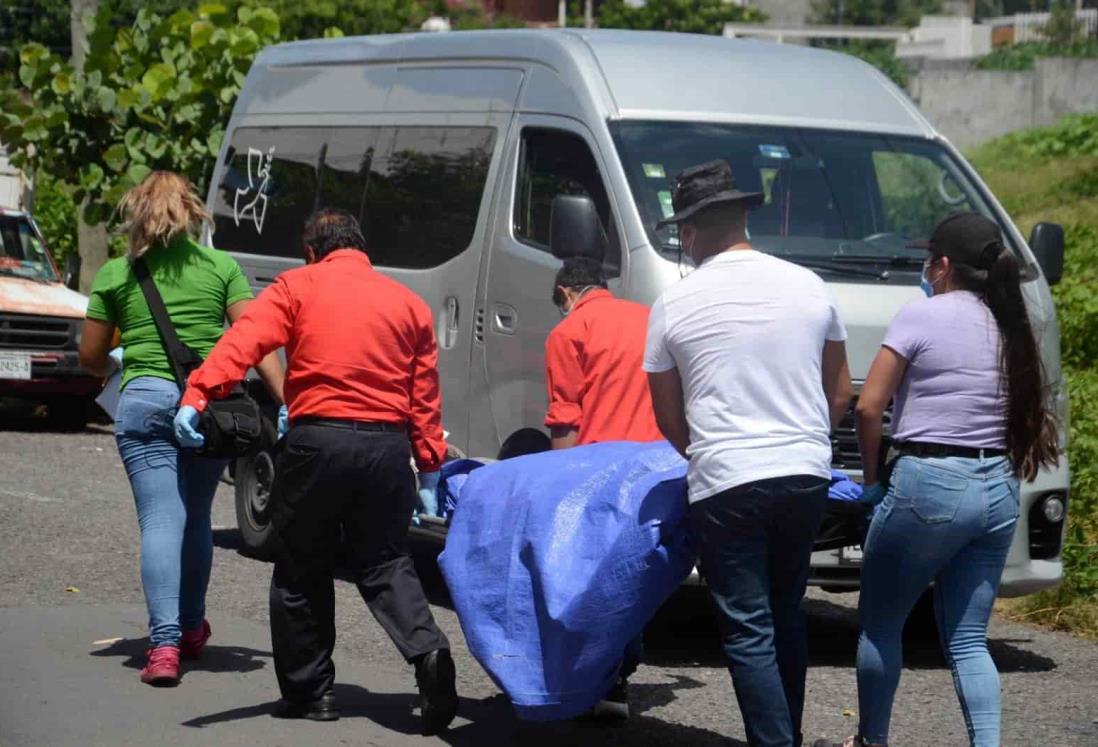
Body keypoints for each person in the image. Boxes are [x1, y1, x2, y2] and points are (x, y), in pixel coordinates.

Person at [172, 208, 458, 733]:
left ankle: (312, 693)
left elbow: (243, 344)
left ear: (311, 249)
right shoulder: (409, 304)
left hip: (316, 442)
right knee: (386, 563)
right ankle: (429, 653)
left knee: (302, 569)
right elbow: (425, 397)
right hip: (385, 448)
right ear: (361, 246)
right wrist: (431, 465)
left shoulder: (295, 287)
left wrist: (197, 395)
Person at [813, 213, 1059, 747]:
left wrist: (874, 482)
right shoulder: (1010, 323)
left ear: (942, 266)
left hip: (928, 484)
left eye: (929, 262)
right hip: (997, 487)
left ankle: (872, 741)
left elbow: (870, 407)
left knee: (881, 624)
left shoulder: (919, 315)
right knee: (969, 639)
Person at [643, 160, 853, 747]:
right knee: (787, 610)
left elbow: (666, 413)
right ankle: (785, 733)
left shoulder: (674, 303)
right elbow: (839, 389)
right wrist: (805, 436)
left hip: (728, 477)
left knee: (747, 626)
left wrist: (709, 450)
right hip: (806, 472)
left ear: (687, 231)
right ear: (742, 218)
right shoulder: (809, 284)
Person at [78, 171, 285, 687]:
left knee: (160, 521)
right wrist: (289, 402)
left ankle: (164, 646)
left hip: (144, 400)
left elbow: (89, 359)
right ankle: (192, 630)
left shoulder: (115, 274)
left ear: (137, 212)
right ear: (193, 212)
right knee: (196, 521)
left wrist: (122, 357)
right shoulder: (220, 268)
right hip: (209, 406)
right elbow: (257, 342)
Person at [545, 256, 662, 719]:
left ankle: (596, 680)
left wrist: (557, 488)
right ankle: (617, 678)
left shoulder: (570, 332)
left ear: (565, 294)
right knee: (635, 576)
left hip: (598, 475)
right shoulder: (649, 319)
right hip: (656, 471)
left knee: (591, 580)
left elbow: (565, 417)